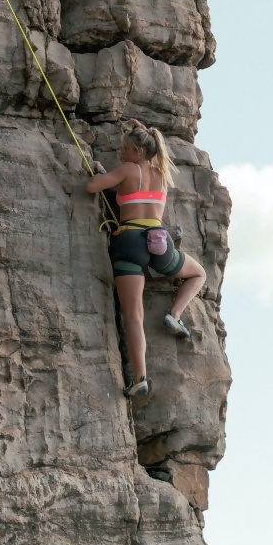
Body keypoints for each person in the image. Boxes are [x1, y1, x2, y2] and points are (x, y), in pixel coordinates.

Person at [85, 120, 206, 397]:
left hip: (129, 242)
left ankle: (140, 378)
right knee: (198, 273)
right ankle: (175, 315)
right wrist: (144, 130)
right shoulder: (162, 172)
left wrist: (102, 173)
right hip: (159, 243)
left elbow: (92, 187)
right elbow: (159, 150)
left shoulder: (129, 169)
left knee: (133, 315)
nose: (121, 152)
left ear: (139, 151)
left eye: (126, 148)